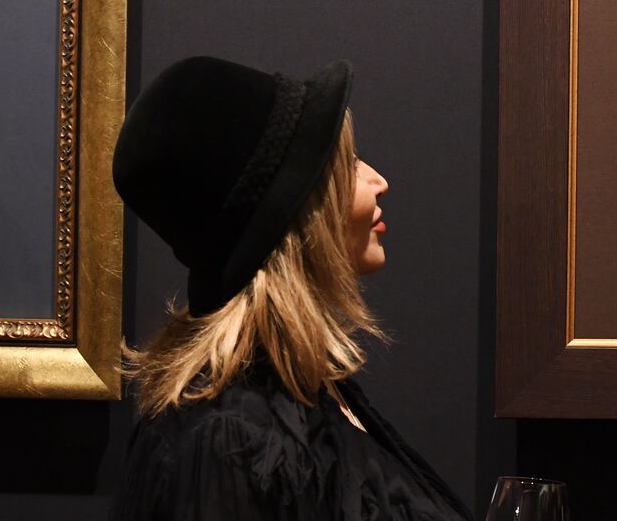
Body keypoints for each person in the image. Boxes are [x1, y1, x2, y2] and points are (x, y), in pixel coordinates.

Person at [109, 56, 473, 520]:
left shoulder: (312, 389)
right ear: (298, 218)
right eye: (348, 165)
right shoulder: (229, 441)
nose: (379, 181)